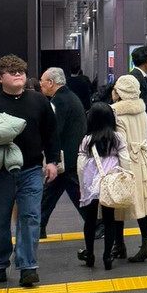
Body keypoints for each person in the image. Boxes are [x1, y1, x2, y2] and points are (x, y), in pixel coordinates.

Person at [0, 54, 58, 287]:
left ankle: (28, 266)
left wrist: (52, 161)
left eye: (21, 70)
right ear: (0, 78)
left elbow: (51, 133)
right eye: (12, 71)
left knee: (30, 217)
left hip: (32, 169)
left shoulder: (39, 101)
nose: (19, 73)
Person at [111, 74, 147, 263]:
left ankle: (119, 244)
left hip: (124, 162)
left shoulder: (116, 114)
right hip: (141, 161)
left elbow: (120, 144)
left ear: (120, 92)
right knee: (143, 204)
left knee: (117, 202)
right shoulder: (142, 112)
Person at [77, 103, 129, 270]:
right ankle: (107, 256)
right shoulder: (117, 138)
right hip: (110, 183)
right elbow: (125, 160)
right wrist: (125, 178)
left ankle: (90, 255)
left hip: (91, 183)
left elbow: (81, 164)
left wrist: (82, 185)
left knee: (90, 219)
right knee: (109, 219)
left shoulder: (87, 140)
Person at [39, 67, 87, 242]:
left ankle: (96, 223)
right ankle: (38, 226)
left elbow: (54, 131)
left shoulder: (58, 101)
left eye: (42, 81)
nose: (40, 84)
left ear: (51, 82)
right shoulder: (70, 97)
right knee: (52, 192)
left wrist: (49, 154)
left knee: (69, 192)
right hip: (71, 155)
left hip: (65, 158)